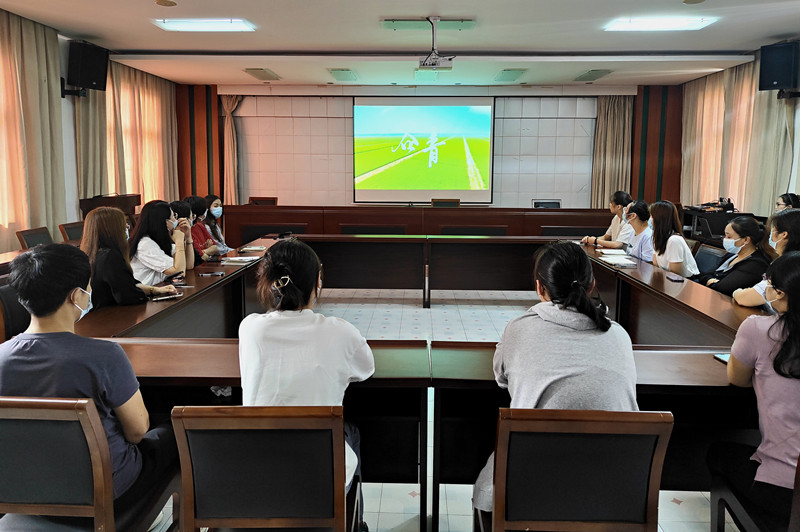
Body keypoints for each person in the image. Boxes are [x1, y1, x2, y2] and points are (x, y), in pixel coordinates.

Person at [0, 244, 177, 505]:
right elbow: (137, 431)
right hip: (104, 490)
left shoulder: (2, 357)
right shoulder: (105, 356)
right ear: (76, 296)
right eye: (89, 286)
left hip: (25, 489)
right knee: (173, 435)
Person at [472, 241, 638, 513]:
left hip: (531, 488)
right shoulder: (619, 335)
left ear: (539, 288)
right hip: (613, 491)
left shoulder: (519, 329)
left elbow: (501, 378)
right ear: (592, 285)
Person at [238, 239, 374, 516]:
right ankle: (355, 522)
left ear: (268, 282)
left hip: (257, 474)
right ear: (317, 281)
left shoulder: (249, 328)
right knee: (351, 432)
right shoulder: (341, 332)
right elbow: (366, 369)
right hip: (321, 479)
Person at [707, 251, 800, 528]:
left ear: (781, 293)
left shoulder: (760, 329)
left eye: (768, 283)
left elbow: (737, 378)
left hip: (783, 488)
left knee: (717, 453)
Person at [80, 207, 177, 308]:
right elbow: (128, 295)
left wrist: (155, 290)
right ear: (112, 229)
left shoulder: (94, 254)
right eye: (123, 223)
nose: (127, 227)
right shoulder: (110, 256)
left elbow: (129, 283)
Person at [734, 209, 800, 311]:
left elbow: (744, 298)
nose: (770, 234)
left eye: (773, 230)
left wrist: (736, 292)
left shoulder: (785, 266)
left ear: (783, 235)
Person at [692, 216, 772, 296]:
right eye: (725, 235)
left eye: (729, 237)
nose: (725, 239)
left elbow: (722, 288)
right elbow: (704, 274)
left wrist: (711, 281)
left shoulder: (756, 264)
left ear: (746, 240)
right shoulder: (732, 255)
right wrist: (712, 280)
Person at [129, 200, 194, 286]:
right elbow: (179, 273)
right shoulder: (145, 244)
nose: (176, 220)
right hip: (147, 292)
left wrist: (188, 237)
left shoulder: (160, 240)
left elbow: (188, 266)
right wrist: (179, 242)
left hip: (161, 287)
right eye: (173, 217)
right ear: (165, 222)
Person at [650, 200, 699, 278]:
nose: (650, 219)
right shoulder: (658, 237)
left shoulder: (674, 240)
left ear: (659, 219)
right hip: (665, 278)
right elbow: (656, 265)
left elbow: (675, 274)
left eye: (652, 216)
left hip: (686, 281)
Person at [184, 195, 219, 261]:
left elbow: (216, 248)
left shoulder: (200, 226)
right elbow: (201, 256)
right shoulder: (187, 230)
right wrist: (207, 251)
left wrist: (203, 251)